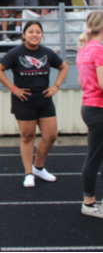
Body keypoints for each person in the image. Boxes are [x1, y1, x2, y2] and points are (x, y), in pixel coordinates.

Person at [0, 21, 69, 188]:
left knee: (51, 136)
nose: (35, 35)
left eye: (38, 32)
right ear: (24, 35)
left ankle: (38, 168)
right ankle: (28, 173)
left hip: (44, 100)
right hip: (24, 102)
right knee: (28, 137)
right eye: (31, 32)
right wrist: (13, 89)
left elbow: (64, 67)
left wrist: (56, 86)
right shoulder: (15, 53)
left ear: (42, 35)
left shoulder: (47, 53)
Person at [76, 12, 103, 219]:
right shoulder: (99, 51)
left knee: (94, 156)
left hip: (89, 105)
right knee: (94, 157)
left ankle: (90, 201)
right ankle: (89, 203)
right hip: (98, 108)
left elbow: (80, 82)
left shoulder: (84, 50)